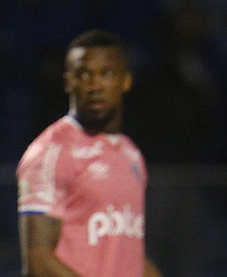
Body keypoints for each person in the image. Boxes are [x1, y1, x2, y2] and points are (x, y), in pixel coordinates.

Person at [16, 29, 160, 276]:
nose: (94, 85)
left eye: (106, 73)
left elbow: (128, 255)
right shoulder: (50, 152)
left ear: (125, 81)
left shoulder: (130, 153)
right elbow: (38, 261)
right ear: (68, 82)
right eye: (83, 74)